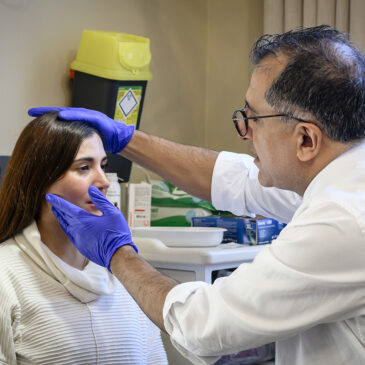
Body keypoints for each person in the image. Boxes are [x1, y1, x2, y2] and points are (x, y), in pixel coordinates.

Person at [29, 24, 365, 365]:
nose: (244, 133)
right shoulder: (340, 174)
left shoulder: (344, 220)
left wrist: (118, 254)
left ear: (306, 140)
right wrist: (129, 140)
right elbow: (234, 178)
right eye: (84, 166)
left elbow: (203, 324)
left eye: (253, 118)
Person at [0, 112, 168, 365]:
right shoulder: (6, 276)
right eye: (84, 167)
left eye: (104, 165)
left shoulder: (127, 274)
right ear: (41, 179)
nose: (103, 181)